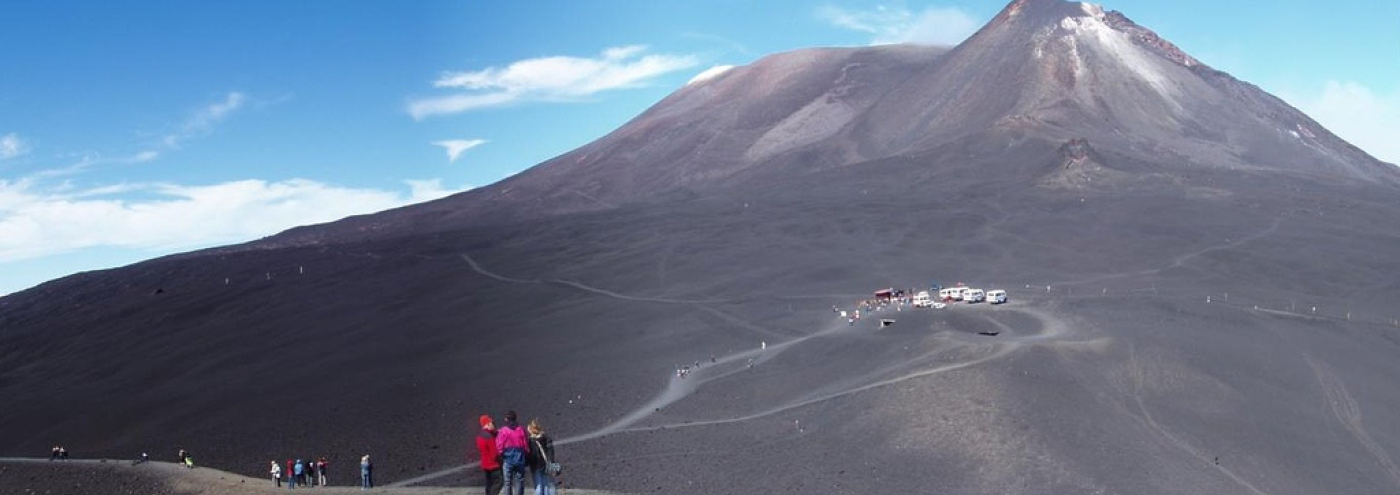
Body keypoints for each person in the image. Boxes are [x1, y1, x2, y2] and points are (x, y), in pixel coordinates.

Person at [495, 411, 529, 495]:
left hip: (508, 459)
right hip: (520, 458)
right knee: (519, 480)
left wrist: (501, 454)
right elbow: (525, 444)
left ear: (507, 419)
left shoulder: (503, 431)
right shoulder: (521, 429)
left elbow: (499, 445)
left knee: (507, 482)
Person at [526, 419, 557, 495]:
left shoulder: (530, 441)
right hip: (546, 464)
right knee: (547, 485)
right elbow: (551, 451)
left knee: (539, 486)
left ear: (532, 430)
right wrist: (551, 461)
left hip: (536, 466)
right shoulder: (546, 438)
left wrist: (527, 462)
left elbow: (531, 455)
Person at [476, 415, 503, 495]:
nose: (493, 425)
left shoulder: (480, 435)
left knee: (489, 483)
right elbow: (494, 453)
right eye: (491, 423)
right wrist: (501, 460)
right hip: (493, 465)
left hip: (485, 464)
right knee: (499, 481)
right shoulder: (489, 437)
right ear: (487, 424)